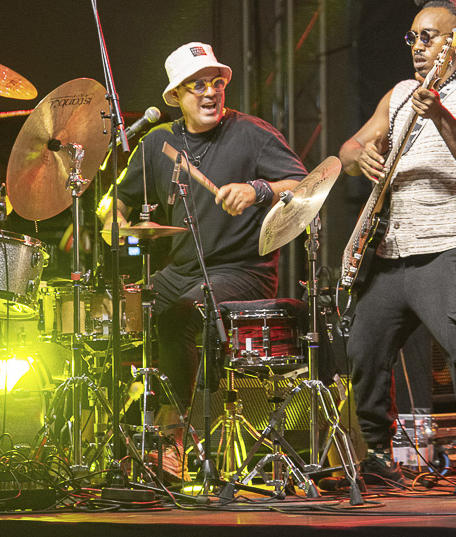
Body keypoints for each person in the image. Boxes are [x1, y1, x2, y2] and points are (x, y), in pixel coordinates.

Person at [339, 0, 456, 496]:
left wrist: (440, 117)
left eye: (428, 37)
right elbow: (348, 149)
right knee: (364, 351)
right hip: (392, 250)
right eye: (412, 37)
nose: (417, 47)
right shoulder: (399, 95)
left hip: (450, 247)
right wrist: (361, 156)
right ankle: (375, 457)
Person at [105, 42, 307, 470]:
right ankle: (113, 435)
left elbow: (305, 185)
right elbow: (117, 202)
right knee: (118, 313)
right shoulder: (157, 142)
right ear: (176, 95)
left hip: (244, 270)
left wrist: (259, 190)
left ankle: (176, 437)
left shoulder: (253, 133)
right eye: (197, 85)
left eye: (216, 82)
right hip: (181, 271)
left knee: (180, 314)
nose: (211, 92)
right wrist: (114, 220)